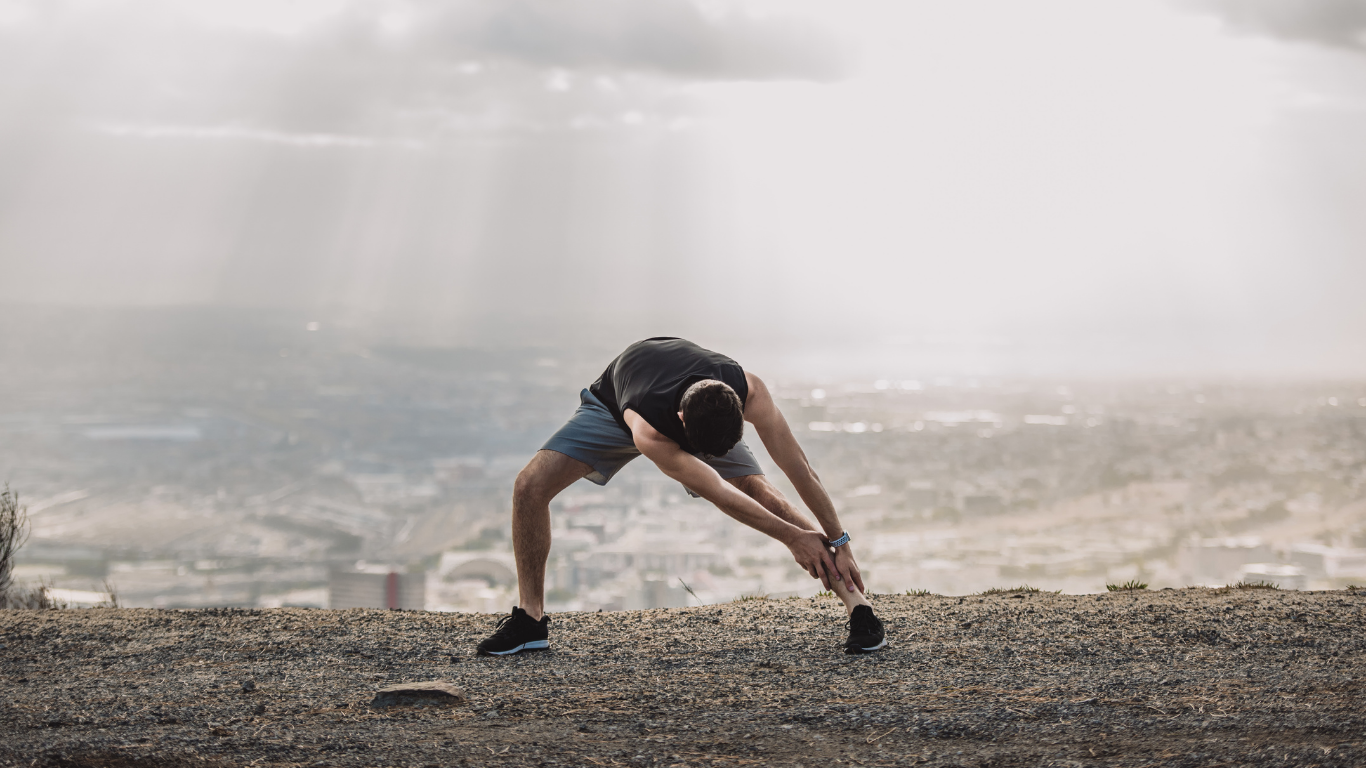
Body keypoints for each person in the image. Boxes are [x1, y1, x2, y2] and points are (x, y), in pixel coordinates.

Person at [476, 337, 886, 656]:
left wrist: (839, 539)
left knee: (759, 488)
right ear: (682, 422)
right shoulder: (648, 429)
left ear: (739, 408)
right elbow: (718, 492)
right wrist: (791, 537)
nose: (707, 458)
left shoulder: (750, 390)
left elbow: (800, 469)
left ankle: (858, 607)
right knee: (528, 487)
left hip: (690, 399)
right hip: (615, 405)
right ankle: (530, 621)